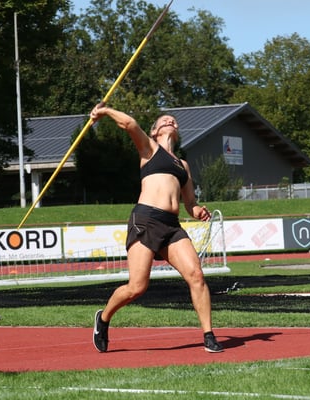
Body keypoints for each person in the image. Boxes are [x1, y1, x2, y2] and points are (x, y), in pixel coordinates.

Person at [89, 102, 223, 353]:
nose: (170, 121)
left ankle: (208, 335)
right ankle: (104, 318)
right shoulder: (150, 149)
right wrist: (105, 111)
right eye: (164, 119)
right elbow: (129, 124)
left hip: (172, 226)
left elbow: (190, 203)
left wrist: (197, 211)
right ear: (154, 131)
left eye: (173, 120)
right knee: (137, 287)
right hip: (146, 220)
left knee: (196, 275)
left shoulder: (183, 165)